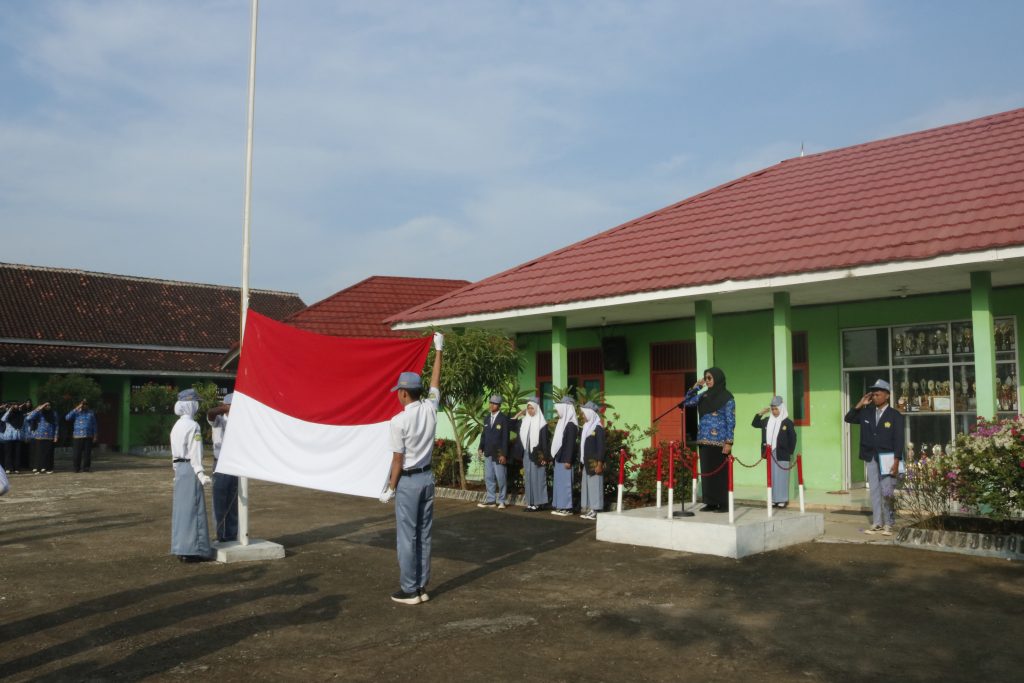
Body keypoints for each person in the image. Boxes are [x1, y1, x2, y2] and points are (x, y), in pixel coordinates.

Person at [381, 332, 444, 605]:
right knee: (424, 535)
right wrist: (439, 351)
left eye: (399, 392)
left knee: (407, 537)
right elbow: (435, 382)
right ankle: (421, 586)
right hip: (427, 478)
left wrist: (390, 488)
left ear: (404, 393)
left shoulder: (398, 421)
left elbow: (397, 459)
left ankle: (409, 590)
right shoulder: (431, 408)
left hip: (407, 481)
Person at [844, 379, 904, 535]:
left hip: (888, 458)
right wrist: (860, 403)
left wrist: (897, 460)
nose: (875, 397)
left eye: (878, 394)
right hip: (870, 456)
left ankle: (889, 523)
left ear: (887, 395)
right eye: (874, 394)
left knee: (887, 491)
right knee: (875, 491)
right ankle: (877, 522)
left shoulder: (895, 415)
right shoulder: (866, 412)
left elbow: (899, 439)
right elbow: (848, 418)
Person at [681, 367, 736, 512]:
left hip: (720, 441)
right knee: (706, 471)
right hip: (703, 440)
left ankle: (723, 504)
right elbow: (687, 403)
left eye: (709, 378)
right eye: (706, 378)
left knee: (720, 473)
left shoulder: (728, 398)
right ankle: (710, 502)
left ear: (717, 378)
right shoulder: (703, 395)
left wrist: (729, 442)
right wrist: (696, 387)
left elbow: (731, 421)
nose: (707, 381)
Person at [170, 388, 213, 562]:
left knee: (181, 511)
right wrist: (201, 473)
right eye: (196, 402)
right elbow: (195, 453)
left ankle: (181, 548)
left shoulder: (176, 426)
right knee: (194, 509)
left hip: (180, 469)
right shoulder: (193, 426)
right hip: (190, 469)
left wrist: (175, 471)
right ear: (191, 405)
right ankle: (195, 550)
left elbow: (174, 453)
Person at [751, 396, 797, 508]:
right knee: (771, 476)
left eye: (776, 409)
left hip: (782, 453)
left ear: (781, 408)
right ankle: (773, 499)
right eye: (772, 409)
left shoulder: (787, 422)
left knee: (781, 476)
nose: (774, 411)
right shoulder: (767, 421)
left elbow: (793, 438)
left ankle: (782, 499)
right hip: (770, 452)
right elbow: (754, 423)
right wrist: (760, 413)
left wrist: (789, 451)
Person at [511, 396, 550, 512]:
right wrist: (519, 414)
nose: (530, 411)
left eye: (532, 408)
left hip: (537, 454)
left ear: (537, 409)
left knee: (538, 478)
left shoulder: (542, 423)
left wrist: (545, 457)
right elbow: (511, 424)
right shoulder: (524, 422)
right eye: (528, 408)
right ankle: (530, 502)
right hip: (526, 454)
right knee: (528, 479)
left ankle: (538, 503)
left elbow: (545, 442)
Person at [208, 393, 238, 543]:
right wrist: (224, 408)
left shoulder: (240, 421)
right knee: (219, 502)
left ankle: (232, 535)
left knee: (233, 502)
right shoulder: (218, 419)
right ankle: (219, 535)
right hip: (220, 463)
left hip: (235, 464)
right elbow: (210, 413)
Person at [477, 394, 511, 509]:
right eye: (490, 402)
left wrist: (503, 454)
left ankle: (502, 500)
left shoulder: (503, 419)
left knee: (501, 477)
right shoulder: (487, 418)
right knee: (489, 477)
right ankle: (491, 500)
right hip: (488, 452)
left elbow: (505, 438)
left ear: (499, 405)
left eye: (494, 403)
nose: (491, 405)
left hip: (498, 453)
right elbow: (484, 435)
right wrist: (480, 447)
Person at [549, 396, 579, 516]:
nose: (558, 411)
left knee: (565, 483)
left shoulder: (570, 425)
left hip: (565, 459)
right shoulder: (562, 423)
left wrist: (568, 460)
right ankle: (560, 506)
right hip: (559, 457)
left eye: (560, 409)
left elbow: (570, 445)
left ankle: (567, 508)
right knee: (559, 483)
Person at [578, 401, 606, 520]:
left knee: (595, 485)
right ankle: (590, 508)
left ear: (590, 414)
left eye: (584, 414)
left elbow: (601, 447)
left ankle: (596, 509)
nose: (582, 416)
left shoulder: (598, 428)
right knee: (588, 486)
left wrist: (600, 463)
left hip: (595, 463)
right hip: (586, 462)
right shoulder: (586, 427)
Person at [25, 402, 59, 474]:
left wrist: (56, 435)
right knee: (39, 453)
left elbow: (56, 425)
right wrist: (38, 409)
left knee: (48, 453)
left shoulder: (54, 413)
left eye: (49, 405)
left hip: (50, 436)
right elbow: (28, 418)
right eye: (46, 405)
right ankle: (38, 468)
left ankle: (47, 468)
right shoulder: (39, 413)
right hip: (39, 436)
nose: (47, 407)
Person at [65, 400, 98, 473]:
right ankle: (76, 468)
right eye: (83, 404)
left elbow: (94, 425)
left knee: (87, 454)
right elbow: (67, 418)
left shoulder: (91, 413)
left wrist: (95, 435)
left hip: (88, 436)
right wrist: (77, 408)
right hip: (77, 436)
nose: (84, 406)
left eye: (86, 404)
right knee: (77, 454)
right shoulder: (76, 412)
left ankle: (86, 468)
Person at [1, 402, 27, 474]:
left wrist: (25, 436)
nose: (16, 407)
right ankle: (8, 468)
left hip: (18, 436)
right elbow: (3, 419)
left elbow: (24, 425)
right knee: (8, 453)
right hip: (8, 437)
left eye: (17, 405)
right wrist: (10, 410)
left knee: (17, 453)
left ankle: (16, 468)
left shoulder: (20, 414)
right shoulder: (8, 414)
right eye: (14, 405)